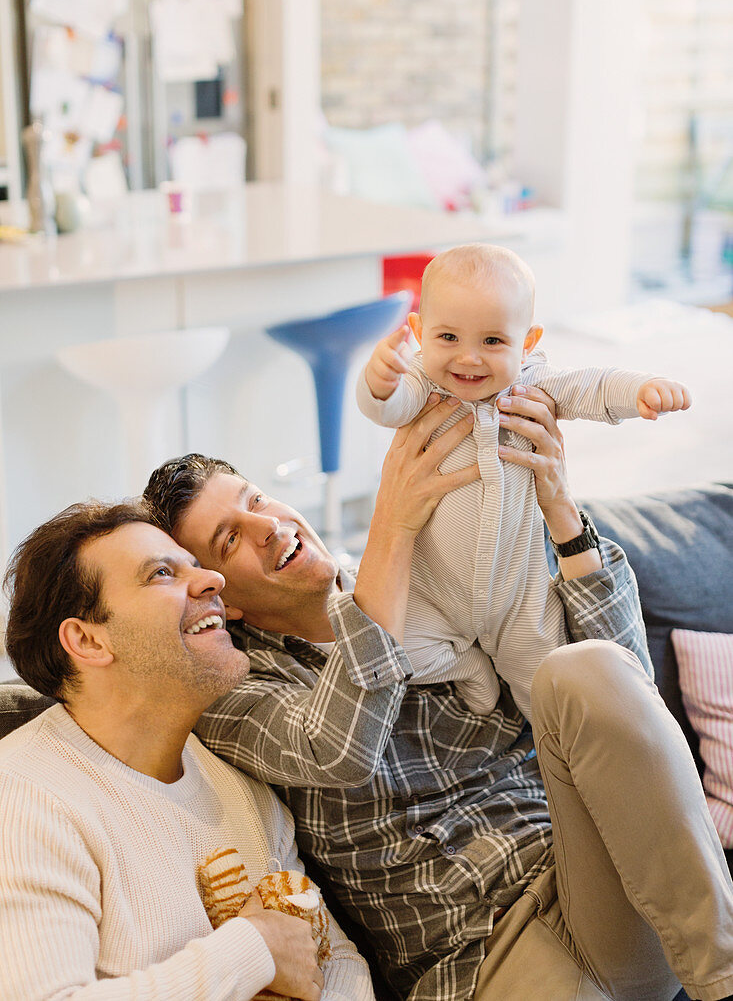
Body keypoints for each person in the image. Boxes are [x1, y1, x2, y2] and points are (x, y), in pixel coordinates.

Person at [139, 391, 733, 1001]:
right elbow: (339, 751)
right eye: (230, 538)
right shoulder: (233, 689)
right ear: (221, 595)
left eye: (256, 500)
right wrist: (392, 526)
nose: (268, 527)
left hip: (595, 879)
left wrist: (560, 512)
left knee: (582, 669)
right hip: (480, 959)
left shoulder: (441, 573)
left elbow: (630, 693)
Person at [0, 500, 374, 1001]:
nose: (212, 582)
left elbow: (335, 963)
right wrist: (254, 949)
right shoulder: (25, 798)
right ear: (87, 641)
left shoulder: (243, 789)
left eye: (196, 566)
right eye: (161, 574)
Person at [356, 243, 692, 719]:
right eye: (448, 337)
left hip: (517, 597)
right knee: (393, 655)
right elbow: (383, 410)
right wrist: (378, 383)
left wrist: (639, 389)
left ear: (527, 341)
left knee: (554, 696)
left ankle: (556, 750)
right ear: (418, 331)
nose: (468, 359)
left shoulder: (532, 385)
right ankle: (468, 666)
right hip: (431, 592)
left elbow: (591, 386)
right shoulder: (420, 384)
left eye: (493, 342)